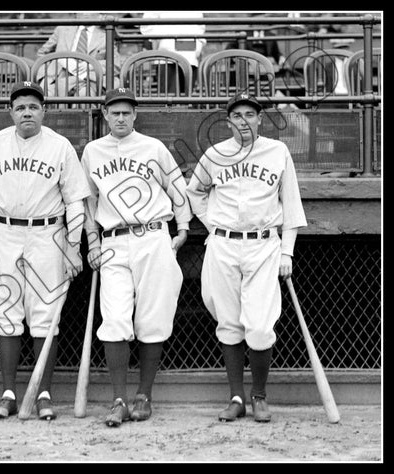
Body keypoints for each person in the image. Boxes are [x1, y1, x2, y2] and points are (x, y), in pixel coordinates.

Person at [0, 81, 91, 421]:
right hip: (4, 231)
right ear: (11, 112)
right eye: (20, 107)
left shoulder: (60, 146)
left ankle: (43, 393)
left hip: (48, 234)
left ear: (43, 111)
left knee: (46, 315)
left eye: (33, 106)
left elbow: (75, 201)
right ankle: (8, 393)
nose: (27, 112)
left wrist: (72, 245)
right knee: (6, 311)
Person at [185, 92, 307, 423]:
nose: (243, 120)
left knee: (260, 326)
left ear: (259, 119)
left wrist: (287, 251)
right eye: (237, 115)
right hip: (223, 244)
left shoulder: (277, 151)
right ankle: (237, 396)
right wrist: (212, 222)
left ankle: (260, 396)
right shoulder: (215, 153)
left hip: (264, 245)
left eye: (249, 114)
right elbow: (194, 191)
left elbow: (292, 206)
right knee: (228, 322)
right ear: (228, 122)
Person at [81, 88, 192, 427]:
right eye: (115, 112)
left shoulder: (153, 147)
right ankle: (119, 399)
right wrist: (92, 241)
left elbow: (178, 190)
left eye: (127, 112)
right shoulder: (92, 151)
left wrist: (183, 229)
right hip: (113, 238)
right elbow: (87, 202)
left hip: (154, 235)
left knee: (152, 318)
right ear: (105, 115)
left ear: (135, 115)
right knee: (114, 319)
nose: (121, 117)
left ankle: (144, 394)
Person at [36, 12, 121, 97]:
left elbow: (115, 64)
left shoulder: (106, 34)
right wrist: (46, 74)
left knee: (85, 95)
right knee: (45, 94)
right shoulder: (62, 29)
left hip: (88, 79)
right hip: (59, 75)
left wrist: (92, 65)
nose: (85, 13)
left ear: (99, 14)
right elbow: (42, 53)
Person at [139, 11, 207, 93]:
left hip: (175, 51)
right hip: (179, 52)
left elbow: (146, 26)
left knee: (174, 96)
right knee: (183, 96)